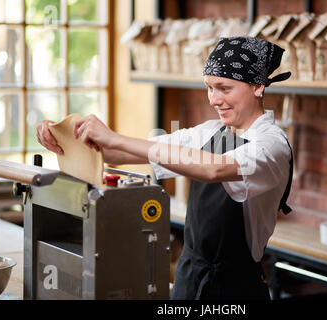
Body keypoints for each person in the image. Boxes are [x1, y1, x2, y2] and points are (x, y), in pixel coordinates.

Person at [36, 36, 293, 300]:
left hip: (234, 288)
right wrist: (64, 138)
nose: (214, 99)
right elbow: (123, 152)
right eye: (209, 88)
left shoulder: (272, 145)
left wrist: (113, 137)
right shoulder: (209, 132)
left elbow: (213, 169)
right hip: (189, 278)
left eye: (224, 88)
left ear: (257, 87)